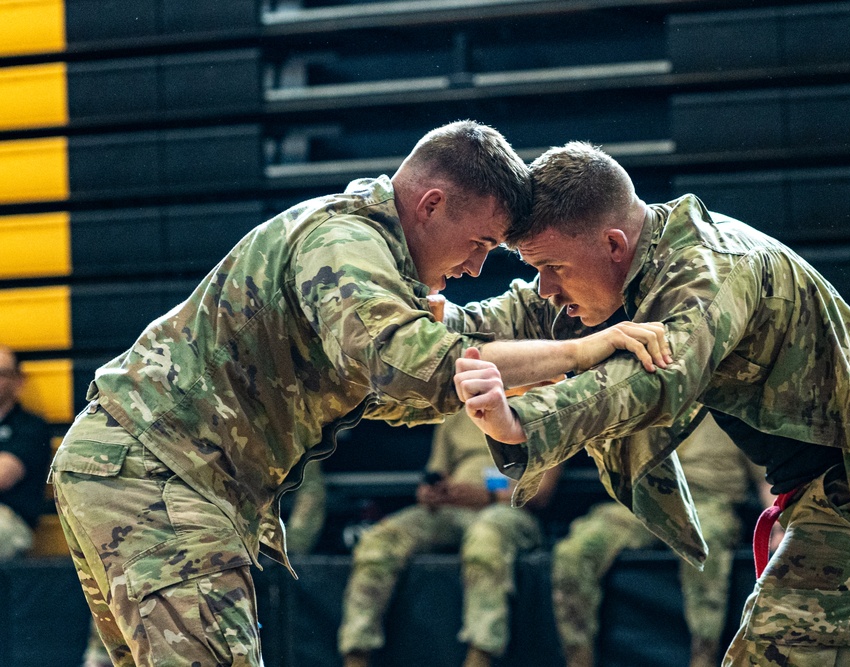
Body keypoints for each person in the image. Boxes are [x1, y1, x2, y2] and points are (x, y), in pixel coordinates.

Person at [50, 122, 672, 667]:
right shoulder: (343, 243)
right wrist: (578, 351)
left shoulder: (375, 261)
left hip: (144, 468)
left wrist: (571, 307)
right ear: (430, 205)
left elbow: (446, 347)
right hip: (157, 472)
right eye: (481, 244)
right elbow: (409, 366)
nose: (479, 267)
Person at [450, 141, 850, 666]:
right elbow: (518, 315)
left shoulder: (710, 268)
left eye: (553, 267)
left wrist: (524, 421)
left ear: (613, 244)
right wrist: (423, 332)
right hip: (838, 488)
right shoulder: (635, 261)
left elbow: (656, 377)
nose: (547, 288)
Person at [552, 411, 774, 667]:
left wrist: (779, 527)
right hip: (643, 500)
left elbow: (767, 477)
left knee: (707, 543)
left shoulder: (732, 403)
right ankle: (578, 659)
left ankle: (704, 658)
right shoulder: (649, 391)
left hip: (709, 501)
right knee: (577, 549)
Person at [339, 409, 559, 667]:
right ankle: (356, 655)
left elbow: (542, 492)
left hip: (510, 510)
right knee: (380, 539)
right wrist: (431, 493)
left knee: (486, 536)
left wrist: (488, 494)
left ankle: (480, 657)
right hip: (452, 506)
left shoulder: (546, 405)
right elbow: (435, 473)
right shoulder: (460, 409)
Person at [0, 345, 50, 560]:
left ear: (18, 381)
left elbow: (2, 476)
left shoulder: (30, 427)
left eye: (1, 374)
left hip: (11, 520)